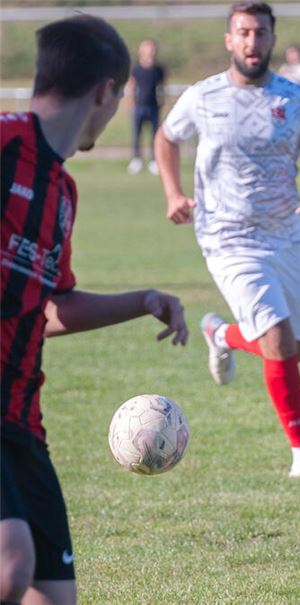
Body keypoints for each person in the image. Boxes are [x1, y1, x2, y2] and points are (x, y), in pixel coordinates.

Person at [1, 15, 189, 605]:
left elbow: (48, 310)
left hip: (20, 416)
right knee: (11, 565)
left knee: (49, 594)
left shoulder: (61, 191)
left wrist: (143, 301)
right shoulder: (4, 146)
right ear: (107, 91)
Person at [154, 1, 300, 477]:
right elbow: (166, 137)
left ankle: (221, 333)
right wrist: (173, 191)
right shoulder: (203, 96)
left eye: (260, 33)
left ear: (272, 39)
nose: (252, 42)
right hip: (226, 236)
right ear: (229, 40)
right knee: (277, 339)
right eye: (243, 33)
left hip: (285, 236)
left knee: (293, 350)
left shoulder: (297, 100)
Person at [126, 38, 165, 175]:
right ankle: (137, 160)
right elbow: (131, 86)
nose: (150, 51)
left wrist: (162, 102)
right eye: (147, 48)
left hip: (153, 106)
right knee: (137, 134)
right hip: (139, 106)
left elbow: (162, 87)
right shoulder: (136, 69)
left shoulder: (158, 69)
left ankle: (154, 160)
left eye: (152, 48)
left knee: (155, 135)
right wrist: (131, 103)